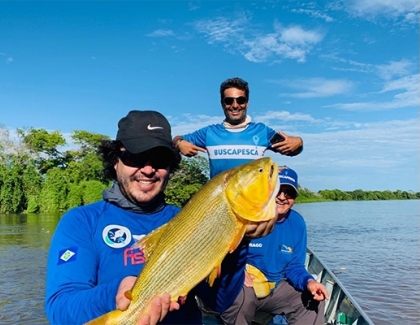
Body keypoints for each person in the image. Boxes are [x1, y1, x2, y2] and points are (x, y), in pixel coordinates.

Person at [43, 110, 276, 325]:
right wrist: (117, 294)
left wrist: (239, 242)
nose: (147, 169)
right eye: (135, 157)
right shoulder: (82, 221)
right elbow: (60, 310)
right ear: (115, 161)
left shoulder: (187, 218)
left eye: (159, 159)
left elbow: (218, 302)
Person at [219, 166, 329, 325]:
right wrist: (237, 271)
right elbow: (220, 253)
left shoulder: (297, 223)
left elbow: (294, 266)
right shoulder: (247, 216)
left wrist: (309, 282)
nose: (283, 197)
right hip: (242, 283)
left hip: (274, 287)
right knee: (243, 295)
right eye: (278, 190)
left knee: (313, 299)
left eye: (289, 193)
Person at [172, 77, 304, 179]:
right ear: (222, 103)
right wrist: (179, 143)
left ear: (247, 102)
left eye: (240, 100)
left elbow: (291, 150)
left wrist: (299, 142)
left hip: (252, 205)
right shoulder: (209, 133)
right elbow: (176, 140)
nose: (235, 105)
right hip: (221, 206)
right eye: (229, 101)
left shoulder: (262, 131)